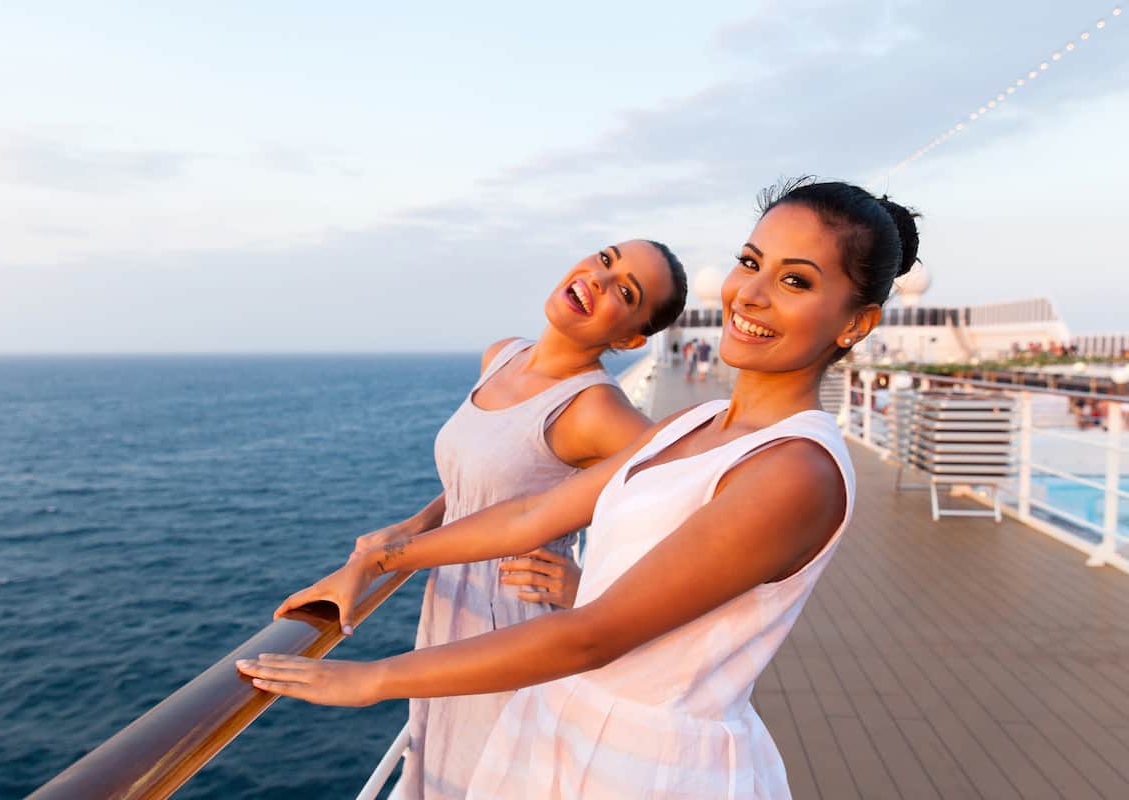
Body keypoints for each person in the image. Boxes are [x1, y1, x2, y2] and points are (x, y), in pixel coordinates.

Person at [239, 179, 919, 798]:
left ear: (855, 324)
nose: (752, 294)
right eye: (750, 262)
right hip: (565, 721)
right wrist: (374, 561)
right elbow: (532, 513)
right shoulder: (699, 421)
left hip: (647, 766)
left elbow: (591, 635)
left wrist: (372, 679)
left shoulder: (795, 470)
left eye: (796, 281)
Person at [306, 240, 688, 800]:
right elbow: (483, 475)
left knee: (484, 778)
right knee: (438, 762)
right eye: (606, 260)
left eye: (626, 292)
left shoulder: (596, 411)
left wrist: (593, 589)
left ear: (629, 339)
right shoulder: (503, 354)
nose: (601, 280)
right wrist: (417, 523)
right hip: (449, 597)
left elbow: (688, 511)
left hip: (512, 615)